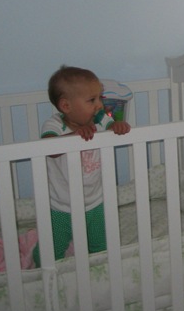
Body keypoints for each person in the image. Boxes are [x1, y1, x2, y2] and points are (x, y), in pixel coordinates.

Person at [32, 66, 131, 266]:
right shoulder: (54, 125)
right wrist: (73, 136)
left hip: (95, 201)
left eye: (100, 97)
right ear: (66, 106)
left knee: (100, 247)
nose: (99, 105)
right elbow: (49, 148)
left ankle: (98, 273)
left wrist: (117, 126)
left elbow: (111, 125)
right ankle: (41, 269)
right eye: (92, 100)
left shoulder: (99, 119)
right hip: (62, 206)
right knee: (51, 251)